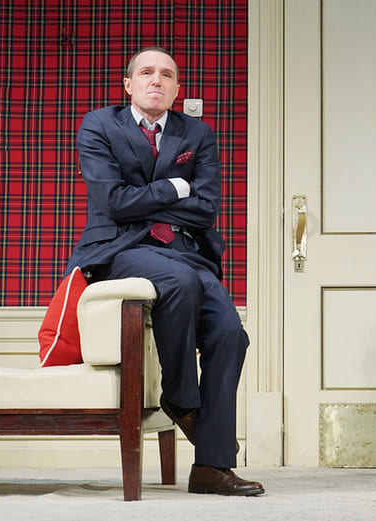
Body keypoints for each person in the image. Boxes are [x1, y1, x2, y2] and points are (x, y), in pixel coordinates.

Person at [64, 46, 263, 496]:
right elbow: (112, 202)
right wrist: (175, 186)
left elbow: (205, 209)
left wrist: (144, 198)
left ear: (176, 89)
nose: (157, 80)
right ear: (128, 85)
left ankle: (211, 468)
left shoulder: (198, 134)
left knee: (230, 333)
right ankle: (181, 397)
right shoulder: (99, 125)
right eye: (147, 72)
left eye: (167, 74)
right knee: (179, 281)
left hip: (186, 250)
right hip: (121, 249)